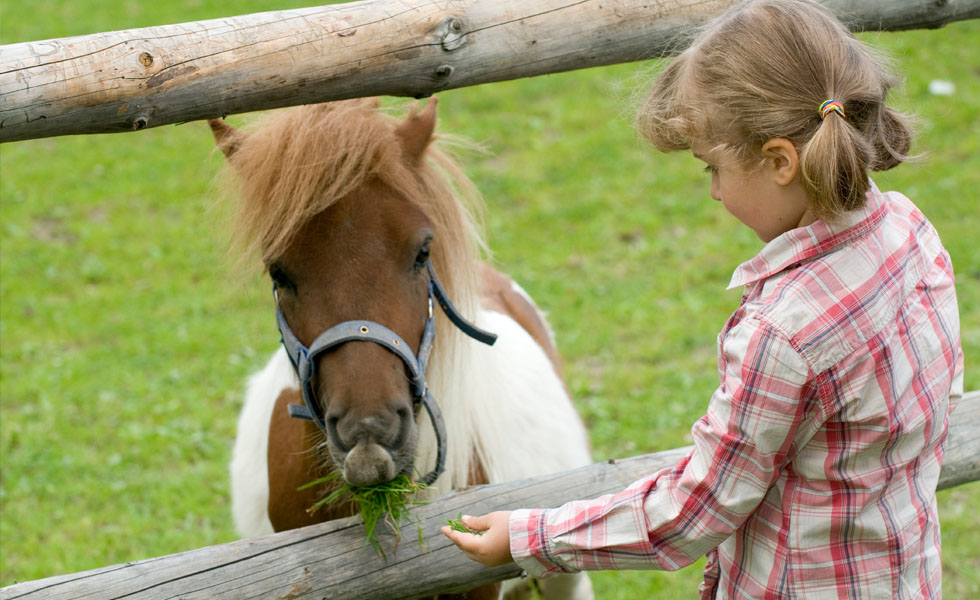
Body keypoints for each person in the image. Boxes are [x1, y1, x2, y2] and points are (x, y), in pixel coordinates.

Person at [440, 0, 964, 597]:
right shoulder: (912, 233)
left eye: (711, 167)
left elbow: (692, 512)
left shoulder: (783, 332)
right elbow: (935, 396)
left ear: (779, 161)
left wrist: (533, 536)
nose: (713, 191)